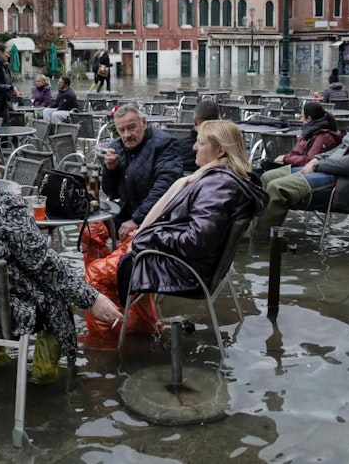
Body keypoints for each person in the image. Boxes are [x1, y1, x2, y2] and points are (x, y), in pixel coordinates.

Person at [0, 131, 122, 383]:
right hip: (6, 312)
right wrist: (92, 298)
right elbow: (45, 264)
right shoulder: (2, 207)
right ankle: (45, 378)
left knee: (2, 282)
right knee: (57, 295)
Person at [83, 120, 267, 340]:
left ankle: (105, 344)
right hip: (185, 261)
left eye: (200, 143)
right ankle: (140, 327)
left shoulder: (218, 185)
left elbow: (196, 239)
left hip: (185, 270)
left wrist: (149, 236)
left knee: (94, 275)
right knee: (101, 241)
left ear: (220, 150)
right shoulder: (220, 178)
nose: (193, 147)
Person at [252, 91, 349, 241]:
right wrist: (317, 158)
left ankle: (261, 244)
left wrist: (318, 165)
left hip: (346, 187)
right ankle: (255, 229)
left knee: (276, 188)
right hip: (330, 173)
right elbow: (338, 150)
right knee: (267, 177)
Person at [101, 104, 183, 239]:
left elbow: (166, 188)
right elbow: (110, 192)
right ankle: (100, 260)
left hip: (157, 219)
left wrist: (137, 219)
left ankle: (120, 259)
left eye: (131, 128)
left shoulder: (164, 143)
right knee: (90, 227)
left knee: (130, 242)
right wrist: (110, 170)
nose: (127, 135)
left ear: (144, 123)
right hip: (126, 213)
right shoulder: (116, 146)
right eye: (121, 130)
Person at [263, 102, 343, 171]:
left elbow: (309, 160)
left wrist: (286, 159)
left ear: (309, 118)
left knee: (265, 171)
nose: (300, 119)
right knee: (264, 166)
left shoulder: (323, 136)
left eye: (301, 116)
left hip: (302, 169)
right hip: (294, 164)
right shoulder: (308, 132)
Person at [180, 100, 220, 173]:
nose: (194, 147)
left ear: (195, 122)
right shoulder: (225, 154)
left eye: (201, 143)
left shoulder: (177, 150)